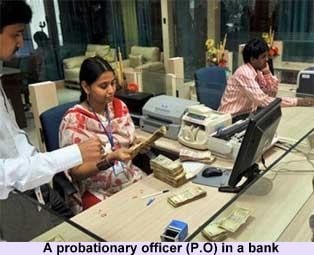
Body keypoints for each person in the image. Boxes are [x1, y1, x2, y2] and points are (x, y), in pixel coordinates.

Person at [0, 1, 105, 203]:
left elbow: (16, 140)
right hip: (12, 203)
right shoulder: (74, 118)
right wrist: (72, 154)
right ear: (86, 87)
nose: (21, 42)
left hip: (35, 188)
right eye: (16, 34)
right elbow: (4, 175)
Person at [59, 56, 146, 212]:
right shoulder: (74, 121)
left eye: (113, 83)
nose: (111, 90)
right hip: (97, 190)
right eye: (103, 86)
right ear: (86, 87)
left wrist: (137, 145)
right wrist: (110, 158)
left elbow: (128, 141)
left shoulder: (119, 106)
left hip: (128, 176)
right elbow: (76, 173)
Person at [218, 38, 314, 121]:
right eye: (263, 57)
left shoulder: (257, 71)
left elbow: (272, 94)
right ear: (253, 59)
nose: (267, 59)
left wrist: (267, 72)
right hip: (230, 118)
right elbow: (264, 101)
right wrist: (298, 102)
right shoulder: (244, 73)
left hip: (246, 115)